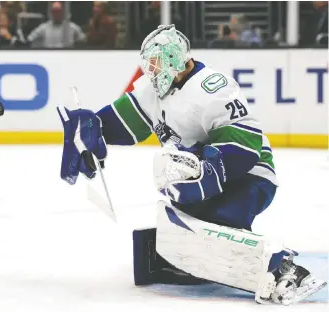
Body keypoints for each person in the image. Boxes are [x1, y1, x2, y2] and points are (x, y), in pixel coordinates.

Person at [56, 25, 326, 305]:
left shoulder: (213, 88)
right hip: (200, 174)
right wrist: (93, 127)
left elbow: (245, 146)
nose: (151, 71)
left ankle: (286, 270)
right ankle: (195, 260)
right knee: (186, 227)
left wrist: (207, 172)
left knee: (223, 221)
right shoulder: (154, 90)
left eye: (156, 64)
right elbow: (123, 122)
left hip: (249, 175)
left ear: (174, 60)